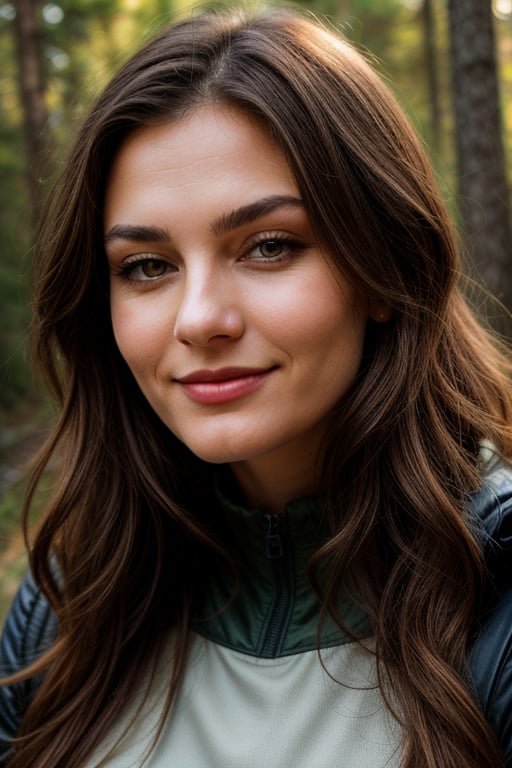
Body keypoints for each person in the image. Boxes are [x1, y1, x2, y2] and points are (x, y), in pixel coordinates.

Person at [0, 6, 511, 768]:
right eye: (148, 266)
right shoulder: (72, 601)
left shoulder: (498, 599)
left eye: (269, 246)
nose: (200, 319)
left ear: (385, 270)